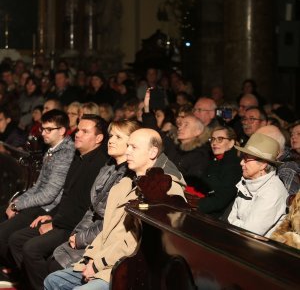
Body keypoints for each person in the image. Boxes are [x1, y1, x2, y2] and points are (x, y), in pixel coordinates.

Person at [44, 128, 186, 290]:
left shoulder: (163, 188)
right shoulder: (128, 182)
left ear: (153, 152)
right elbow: (108, 227)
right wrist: (91, 257)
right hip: (108, 260)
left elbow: (135, 243)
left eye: (134, 147)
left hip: (131, 269)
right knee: (53, 280)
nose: (127, 152)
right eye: (128, 146)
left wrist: (97, 264)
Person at [6, 115, 108, 289]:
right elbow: (66, 197)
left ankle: (46, 285)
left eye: (85, 131)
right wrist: (49, 216)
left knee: (31, 249)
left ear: (98, 138)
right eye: (78, 129)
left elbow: (85, 209)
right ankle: (32, 283)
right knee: (16, 239)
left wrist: (54, 223)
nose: (77, 134)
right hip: (61, 220)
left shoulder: (99, 164)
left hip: (75, 227)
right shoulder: (78, 157)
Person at [49, 119, 141, 272]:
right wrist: (77, 235)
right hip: (88, 231)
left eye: (118, 137)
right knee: (52, 260)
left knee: (53, 264)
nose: (110, 140)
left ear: (132, 143)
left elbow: (111, 222)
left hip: (106, 241)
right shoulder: (109, 167)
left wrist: (80, 238)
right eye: (111, 136)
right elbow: (92, 209)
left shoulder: (130, 177)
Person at [0, 110, 75, 283]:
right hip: (40, 202)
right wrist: (16, 202)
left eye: (49, 130)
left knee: (4, 235)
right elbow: (38, 185)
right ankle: (16, 271)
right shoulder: (52, 149)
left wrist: (20, 205)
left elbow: (49, 194)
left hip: (48, 207)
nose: (43, 133)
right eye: (43, 129)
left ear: (62, 130)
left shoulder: (65, 153)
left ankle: (23, 277)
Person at [227, 133, 288, 237]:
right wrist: (239, 224)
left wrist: (237, 224)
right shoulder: (246, 182)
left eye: (246, 159)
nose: (241, 163)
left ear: (263, 164)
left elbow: (250, 233)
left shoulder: (273, 192)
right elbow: (230, 220)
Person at [188, 126, 242, 218]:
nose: (214, 143)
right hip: (201, 208)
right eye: (212, 139)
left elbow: (220, 200)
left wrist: (193, 205)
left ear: (231, 143)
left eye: (220, 139)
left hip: (211, 217)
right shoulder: (215, 160)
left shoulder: (233, 166)